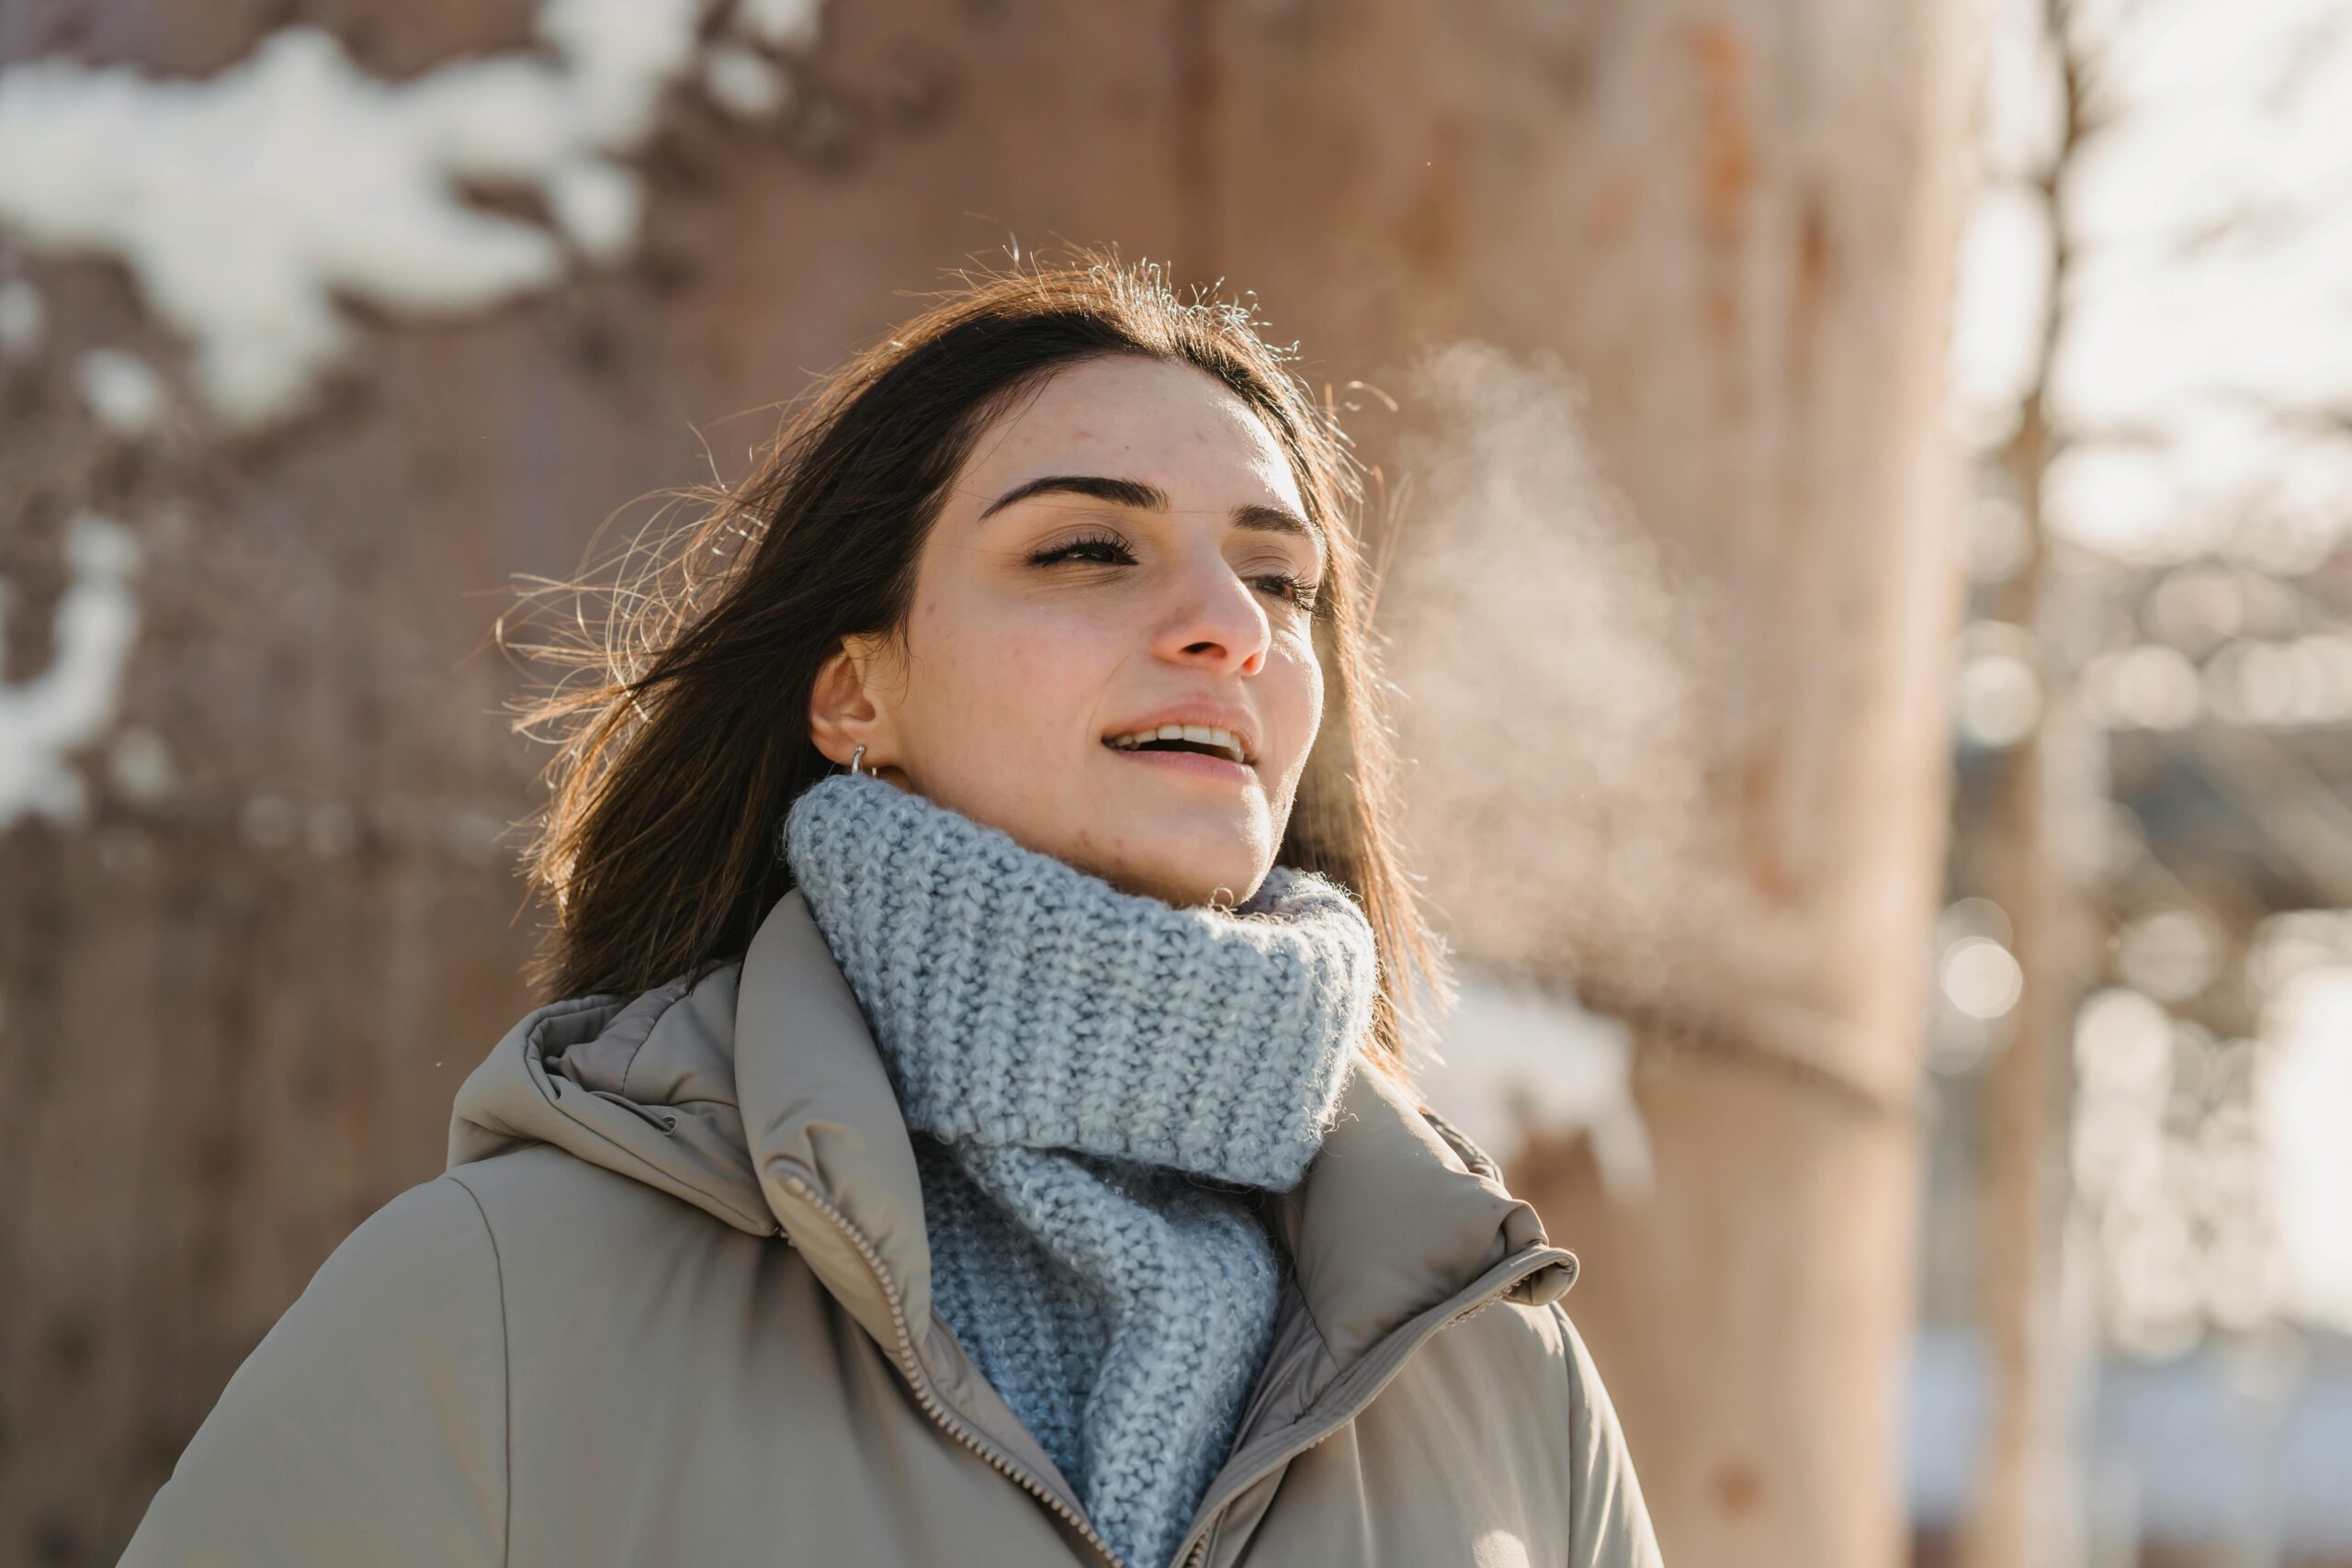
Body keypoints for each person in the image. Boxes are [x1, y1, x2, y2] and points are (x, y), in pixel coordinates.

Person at [119, 248, 1664, 1568]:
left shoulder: (1504, 1376)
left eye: (1280, 582)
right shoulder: (502, 1310)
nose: (1226, 630)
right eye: (1084, 550)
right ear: (856, 686)